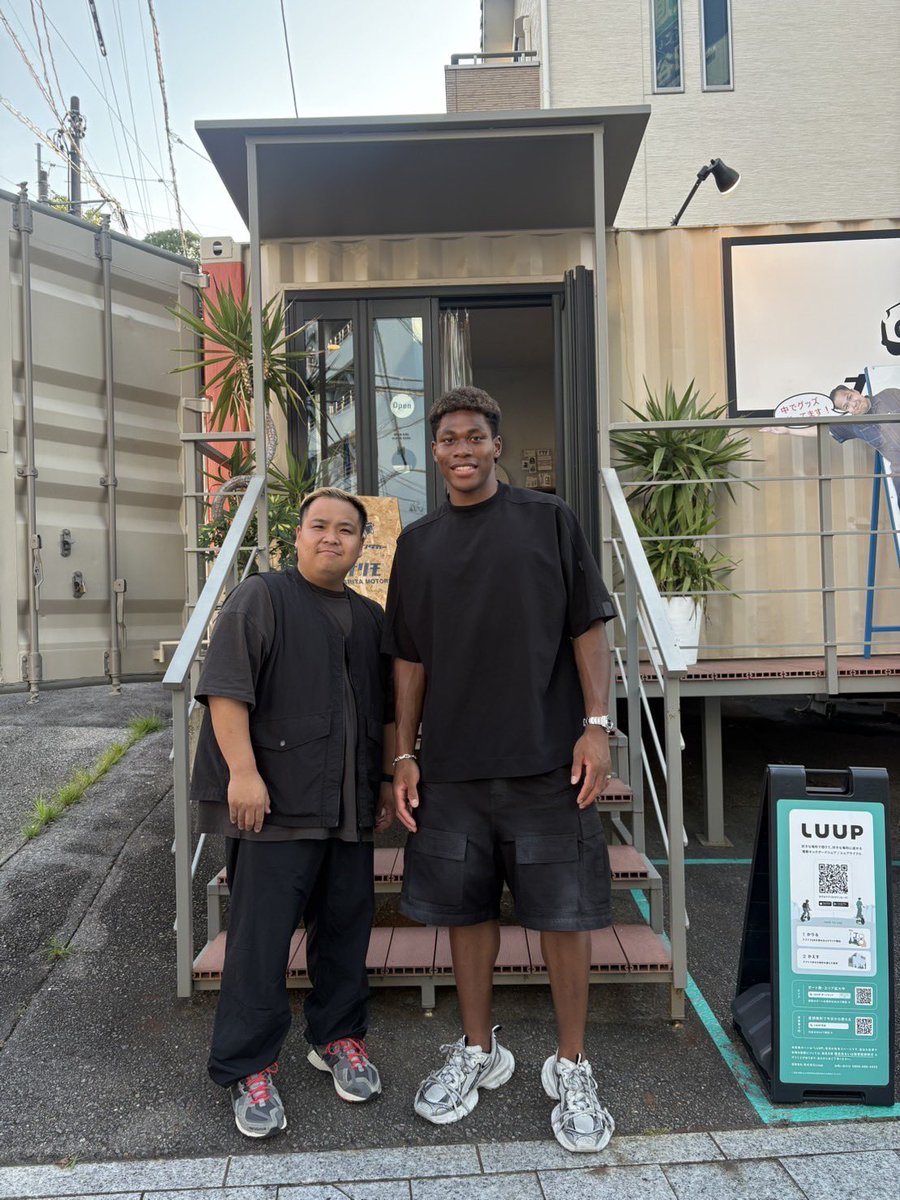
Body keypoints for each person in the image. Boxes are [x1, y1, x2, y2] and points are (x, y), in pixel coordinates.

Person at [382, 385, 618, 1153]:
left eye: (474, 437)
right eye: (448, 438)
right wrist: (404, 752)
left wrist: (596, 728)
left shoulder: (549, 520)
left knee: (565, 917)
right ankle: (479, 1050)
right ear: (435, 451)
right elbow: (408, 658)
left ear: (496, 445)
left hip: (549, 761)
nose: (461, 449)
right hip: (452, 767)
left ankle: (572, 1064)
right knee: (465, 915)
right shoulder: (418, 545)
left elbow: (588, 626)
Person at [190, 487, 394, 1139]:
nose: (332, 537)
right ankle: (248, 1066)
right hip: (274, 805)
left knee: (345, 930)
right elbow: (226, 691)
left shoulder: (369, 618)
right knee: (260, 941)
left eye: (346, 529)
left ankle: (338, 1037)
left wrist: (384, 781)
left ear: (361, 545)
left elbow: (384, 711)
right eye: (319, 526)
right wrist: (243, 774)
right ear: (297, 536)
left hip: (347, 806)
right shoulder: (262, 597)